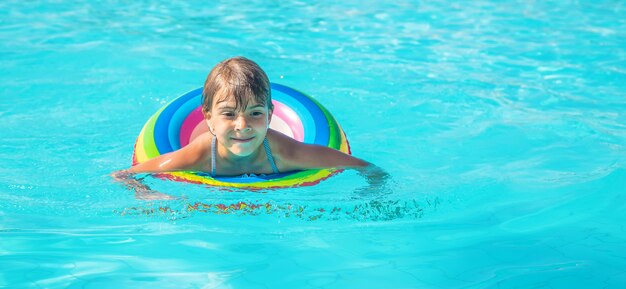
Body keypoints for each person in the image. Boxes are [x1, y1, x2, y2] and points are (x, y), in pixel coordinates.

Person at [113, 57, 387, 199]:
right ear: (207, 117)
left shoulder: (284, 152)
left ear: (270, 115)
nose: (242, 126)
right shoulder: (199, 155)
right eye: (229, 114)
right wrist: (148, 194)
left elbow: (367, 168)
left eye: (255, 113)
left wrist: (370, 193)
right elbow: (124, 175)